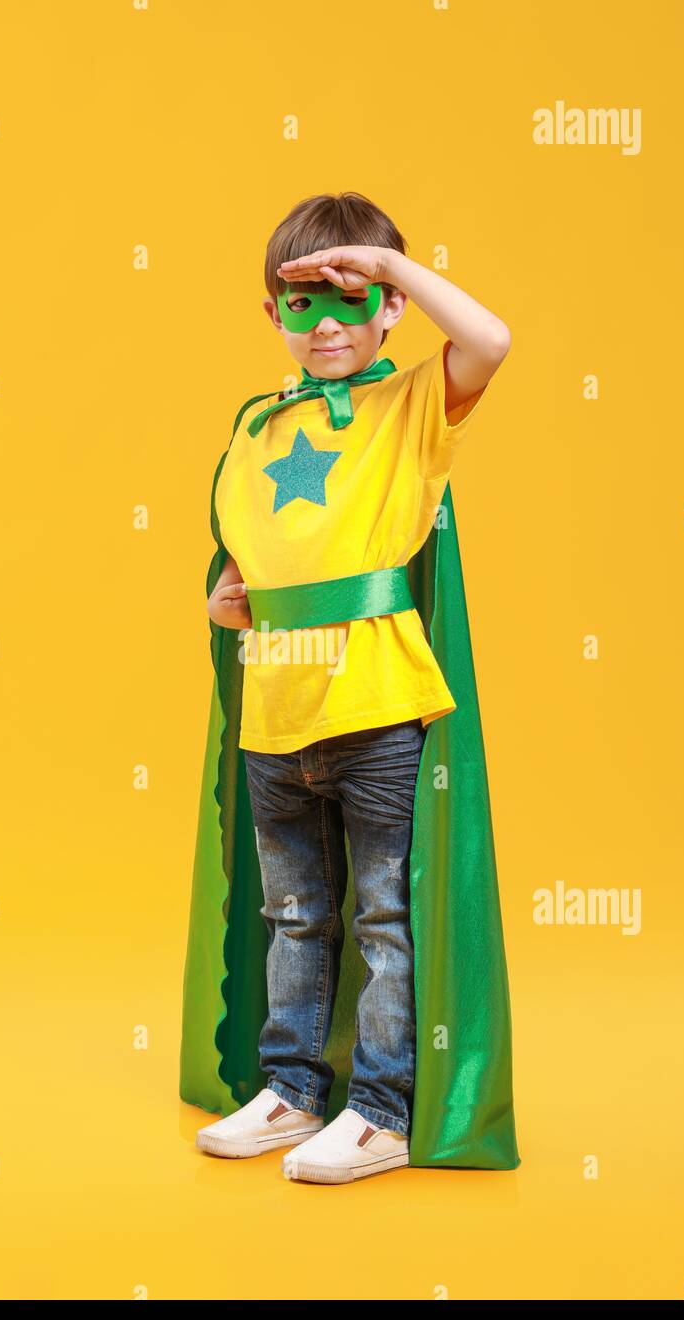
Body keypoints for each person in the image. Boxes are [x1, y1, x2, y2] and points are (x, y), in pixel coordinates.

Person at [189, 191, 512, 1183]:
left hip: (370, 708)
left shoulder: (408, 405)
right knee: (293, 912)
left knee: (381, 915)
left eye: (351, 299)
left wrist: (383, 261)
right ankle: (291, 1087)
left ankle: (380, 1109)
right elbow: (254, 554)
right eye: (300, 305)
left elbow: (491, 339)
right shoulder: (257, 423)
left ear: (386, 309)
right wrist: (225, 605)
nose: (325, 323)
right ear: (271, 317)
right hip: (272, 711)